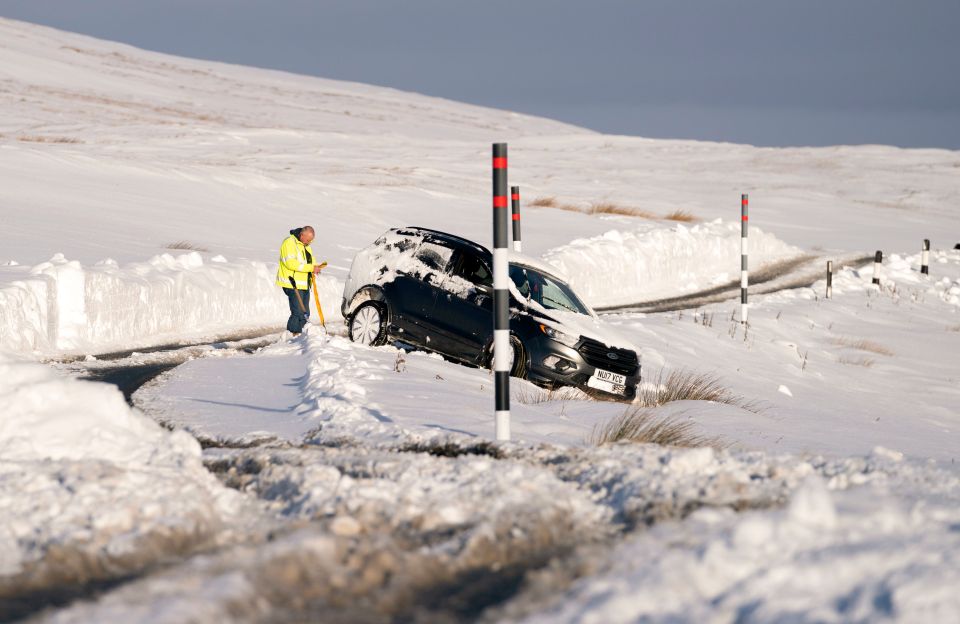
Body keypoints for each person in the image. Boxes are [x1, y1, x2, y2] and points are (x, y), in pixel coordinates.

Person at [276, 226, 322, 335]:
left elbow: (310, 261)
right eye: (308, 239)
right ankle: (291, 337)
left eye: (311, 240)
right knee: (297, 312)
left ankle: (301, 336)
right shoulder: (289, 243)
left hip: (304, 283)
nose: (309, 242)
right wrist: (310, 268)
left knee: (305, 312)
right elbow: (291, 263)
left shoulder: (306, 246)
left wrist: (315, 267)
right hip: (292, 283)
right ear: (302, 235)